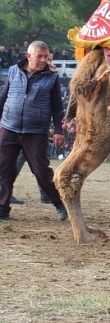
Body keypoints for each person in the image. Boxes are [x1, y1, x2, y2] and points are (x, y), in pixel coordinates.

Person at [0, 41, 67, 221]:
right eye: (40, 57)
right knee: (3, 169)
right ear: (29, 56)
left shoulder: (52, 77)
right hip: (9, 128)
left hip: (36, 131)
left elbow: (57, 106)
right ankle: (2, 207)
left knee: (41, 170)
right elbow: (3, 97)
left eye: (46, 57)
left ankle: (60, 203)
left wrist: (59, 130)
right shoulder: (14, 71)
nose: (44, 60)